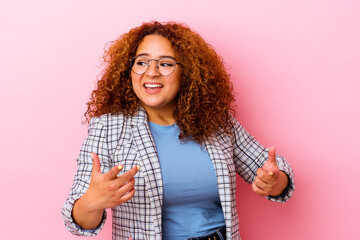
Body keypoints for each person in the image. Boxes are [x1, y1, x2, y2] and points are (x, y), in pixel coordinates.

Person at [62, 21, 295, 240]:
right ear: (129, 69)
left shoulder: (217, 123)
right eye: (142, 62)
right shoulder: (108, 128)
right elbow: (77, 220)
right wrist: (92, 201)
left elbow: (272, 168)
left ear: (187, 73)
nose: (151, 72)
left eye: (165, 64)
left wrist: (276, 182)